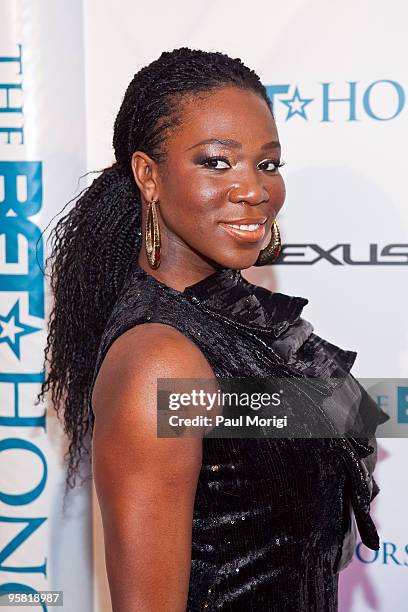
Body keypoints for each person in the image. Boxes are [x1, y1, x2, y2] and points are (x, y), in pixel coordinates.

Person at [37, 47, 388, 611]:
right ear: (148, 175)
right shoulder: (162, 362)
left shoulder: (237, 323)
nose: (254, 190)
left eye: (267, 164)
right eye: (217, 162)